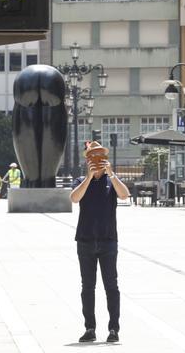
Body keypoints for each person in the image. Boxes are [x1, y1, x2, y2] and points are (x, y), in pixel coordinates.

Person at [70, 141, 130, 344]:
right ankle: (90, 328)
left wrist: (111, 174)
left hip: (108, 241)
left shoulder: (111, 180)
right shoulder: (81, 180)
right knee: (87, 287)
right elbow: (74, 198)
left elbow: (124, 195)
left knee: (111, 286)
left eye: (100, 157)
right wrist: (88, 177)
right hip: (85, 240)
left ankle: (113, 328)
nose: (96, 160)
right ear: (87, 160)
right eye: (92, 157)